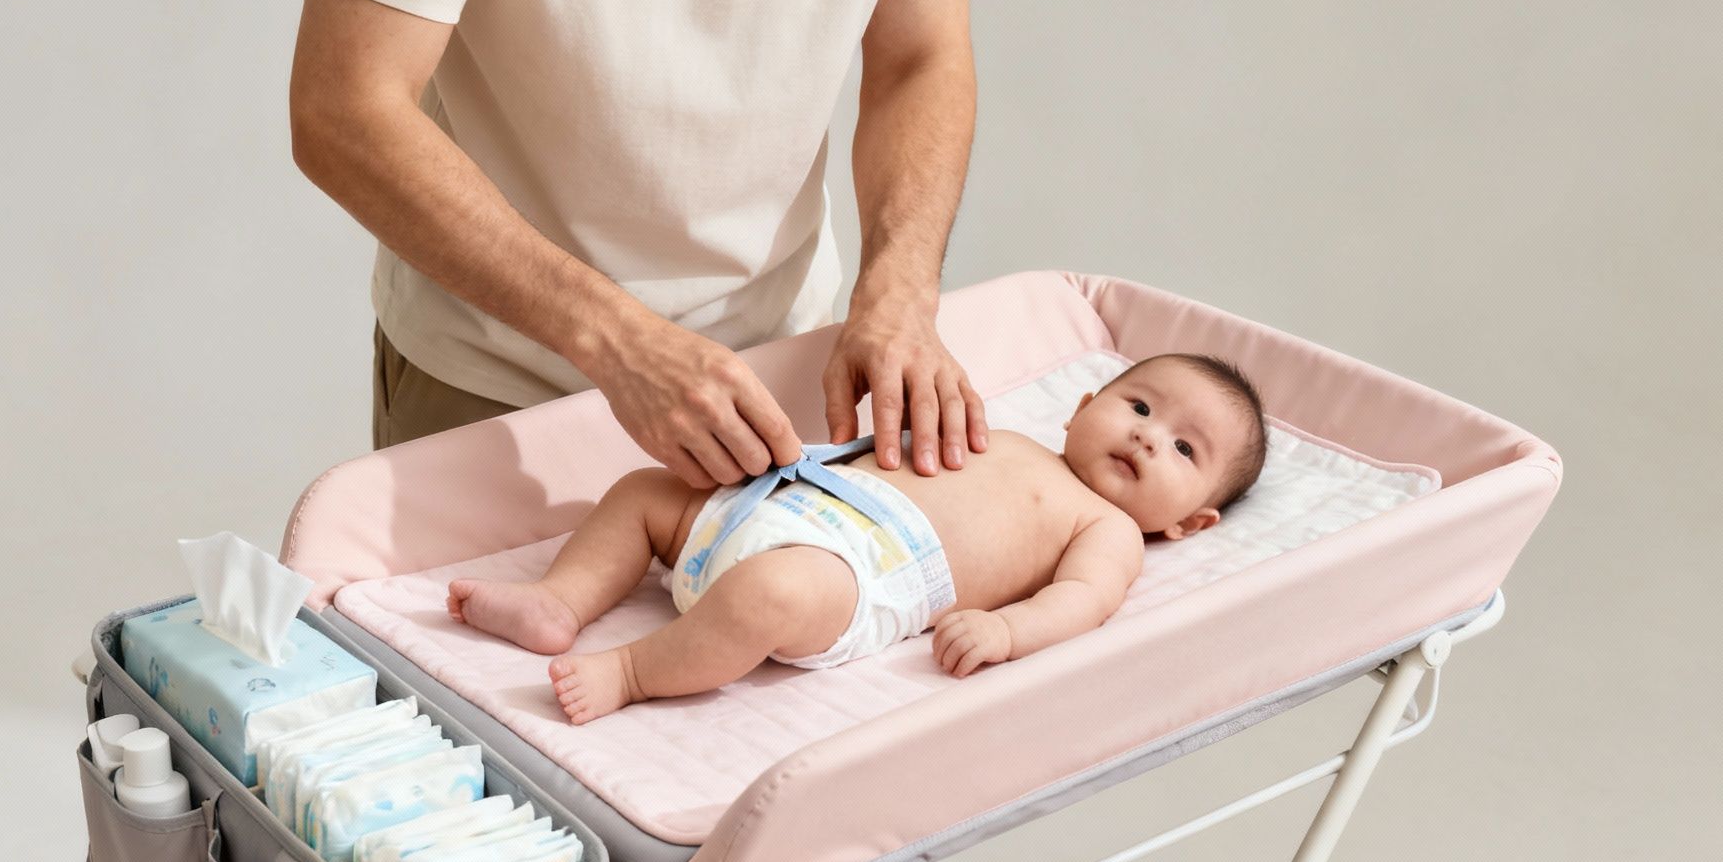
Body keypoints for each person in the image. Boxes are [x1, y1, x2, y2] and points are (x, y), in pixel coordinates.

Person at [287, 0, 1010, 862]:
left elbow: (919, 50)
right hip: (494, 380)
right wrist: (614, 340)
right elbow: (342, 110)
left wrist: (899, 286)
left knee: (721, 858)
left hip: (776, 378)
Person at [445, 354, 1270, 721]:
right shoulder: (1015, 441)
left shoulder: (1109, 527)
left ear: (1190, 522)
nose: (1150, 436)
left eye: (1185, 450)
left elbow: (1083, 600)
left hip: (855, 574)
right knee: (644, 494)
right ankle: (561, 600)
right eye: (1139, 406)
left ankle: (632, 671)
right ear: (1082, 404)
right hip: (783, 498)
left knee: (769, 597)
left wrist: (1009, 629)